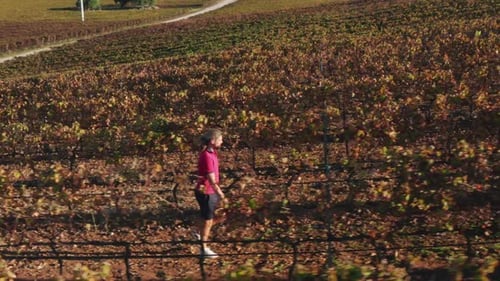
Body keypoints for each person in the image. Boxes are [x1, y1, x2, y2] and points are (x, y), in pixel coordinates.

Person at [194, 128, 225, 258]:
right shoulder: (207, 155)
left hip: (207, 190)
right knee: (208, 219)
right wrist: (220, 193)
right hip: (207, 191)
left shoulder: (211, 153)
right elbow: (211, 179)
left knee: (211, 216)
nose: (222, 141)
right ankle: (204, 248)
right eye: (220, 139)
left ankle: (197, 232)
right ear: (213, 141)